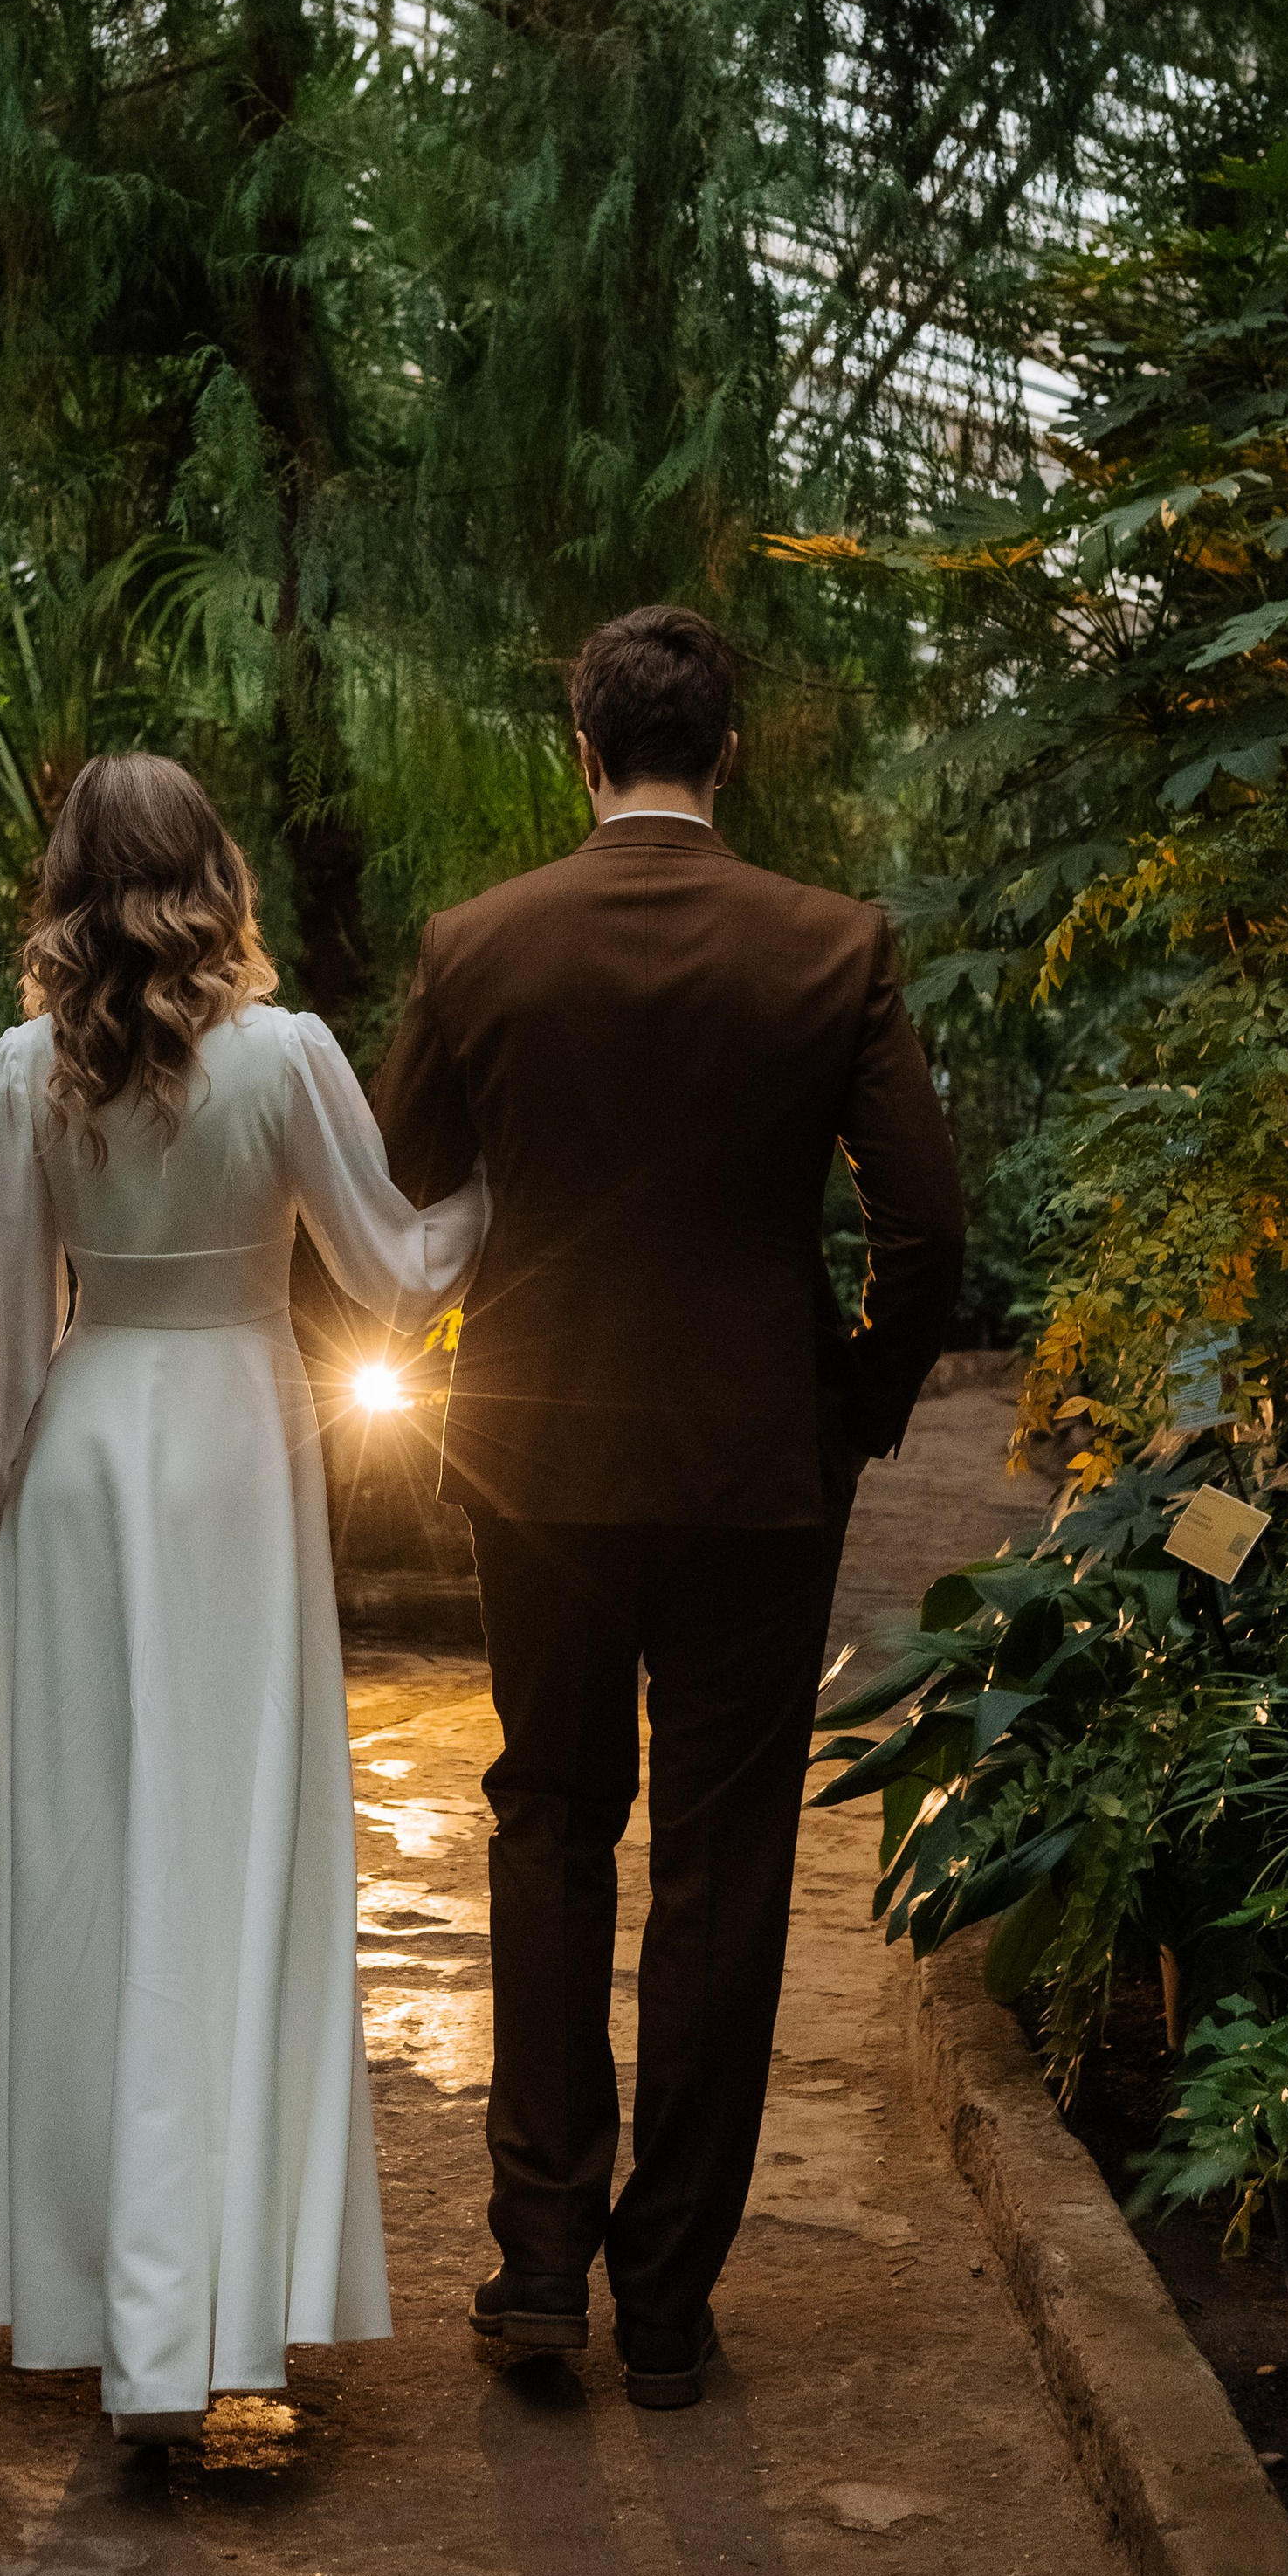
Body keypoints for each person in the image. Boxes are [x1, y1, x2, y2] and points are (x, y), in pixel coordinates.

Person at [372, 604, 965, 2410]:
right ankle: (668, 2299)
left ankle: (538, 2261)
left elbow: (403, 1178)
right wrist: (847, 1409)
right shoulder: (831, 944)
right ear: (727, 755)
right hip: (750, 1471)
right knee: (724, 1863)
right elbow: (926, 1228)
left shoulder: (478, 945)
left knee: (548, 1821)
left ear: (581, 750)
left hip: (536, 1456)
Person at [0, 754, 488, 2446]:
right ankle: (204, 2303)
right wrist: (506, 1185)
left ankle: (96, 2297)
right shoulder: (287, 1057)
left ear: (67, 888)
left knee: (86, 1868)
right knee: (224, 1862)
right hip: (232, 1450)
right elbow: (395, 1271)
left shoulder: (28, 1068)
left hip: (86, 1459)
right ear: (218, 874)